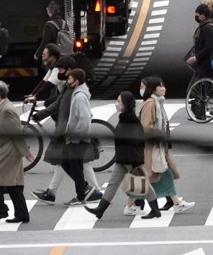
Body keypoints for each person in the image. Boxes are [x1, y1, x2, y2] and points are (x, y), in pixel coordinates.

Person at [32, 56, 98, 205]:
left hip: (69, 131)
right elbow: (57, 103)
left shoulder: (76, 92)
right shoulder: (69, 88)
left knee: (71, 163)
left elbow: (80, 115)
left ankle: (88, 191)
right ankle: (88, 190)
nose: (60, 73)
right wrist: (41, 114)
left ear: (70, 73)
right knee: (68, 163)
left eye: (61, 70)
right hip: (68, 130)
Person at [86, 91, 162, 219]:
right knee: (112, 184)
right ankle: (100, 210)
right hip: (122, 158)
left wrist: (134, 163)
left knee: (143, 184)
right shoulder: (125, 117)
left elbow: (135, 142)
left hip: (130, 160)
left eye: (119, 101)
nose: (117, 104)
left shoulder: (131, 120)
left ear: (126, 103)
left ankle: (155, 210)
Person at [141, 76, 193, 213]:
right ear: (154, 88)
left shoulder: (157, 102)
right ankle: (133, 204)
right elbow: (146, 126)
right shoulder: (151, 103)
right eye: (161, 86)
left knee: (163, 172)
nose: (164, 88)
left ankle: (174, 202)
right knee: (154, 174)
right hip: (153, 145)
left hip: (158, 145)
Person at [0, 81, 33, 224]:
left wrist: (25, 152)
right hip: (7, 150)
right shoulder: (3, 108)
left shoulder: (7, 110)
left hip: (9, 151)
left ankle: (1, 211)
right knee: (15, 185)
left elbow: (16, 133)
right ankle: (22, 214)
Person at [59, 68, 94, 206]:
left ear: (76, 81)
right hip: (76, 138)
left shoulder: (79, 96)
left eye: (70, 78)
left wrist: (76, 137)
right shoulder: (79, 93)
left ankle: (81, 196)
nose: (68, 80)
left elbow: (84, 119)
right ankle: (84, 187)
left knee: (75, 167)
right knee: (66, 162)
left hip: (78, 139)